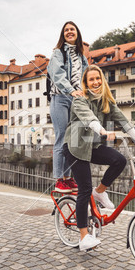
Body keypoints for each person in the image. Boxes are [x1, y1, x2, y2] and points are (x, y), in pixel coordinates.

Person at [63, 65, 135, 251]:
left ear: (102, 79)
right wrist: (101, 130)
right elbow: (88, 117)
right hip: (75, 147)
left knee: (120, 160)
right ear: (85, 83)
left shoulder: (106, 100)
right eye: (91, 79)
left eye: (98, 78)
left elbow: (121, 118)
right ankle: (84, 236)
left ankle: (100, 191)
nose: (95, 82)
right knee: (84, 188)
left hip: (91, 146)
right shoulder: (80, 100)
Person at [47, 21, 89, 194]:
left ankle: (68, 177)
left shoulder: (81, 57)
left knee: (72, 140)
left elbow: (85, 78)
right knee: (61, 137)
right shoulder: (58, 53)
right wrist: (72, 91)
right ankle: (59, 180)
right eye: (66, 30)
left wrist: (86, 94)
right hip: (60, 98)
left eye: (72, 29)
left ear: (77, 33)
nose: (69, 32)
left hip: (75, 100)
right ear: (63, 34)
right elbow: (57, 74)